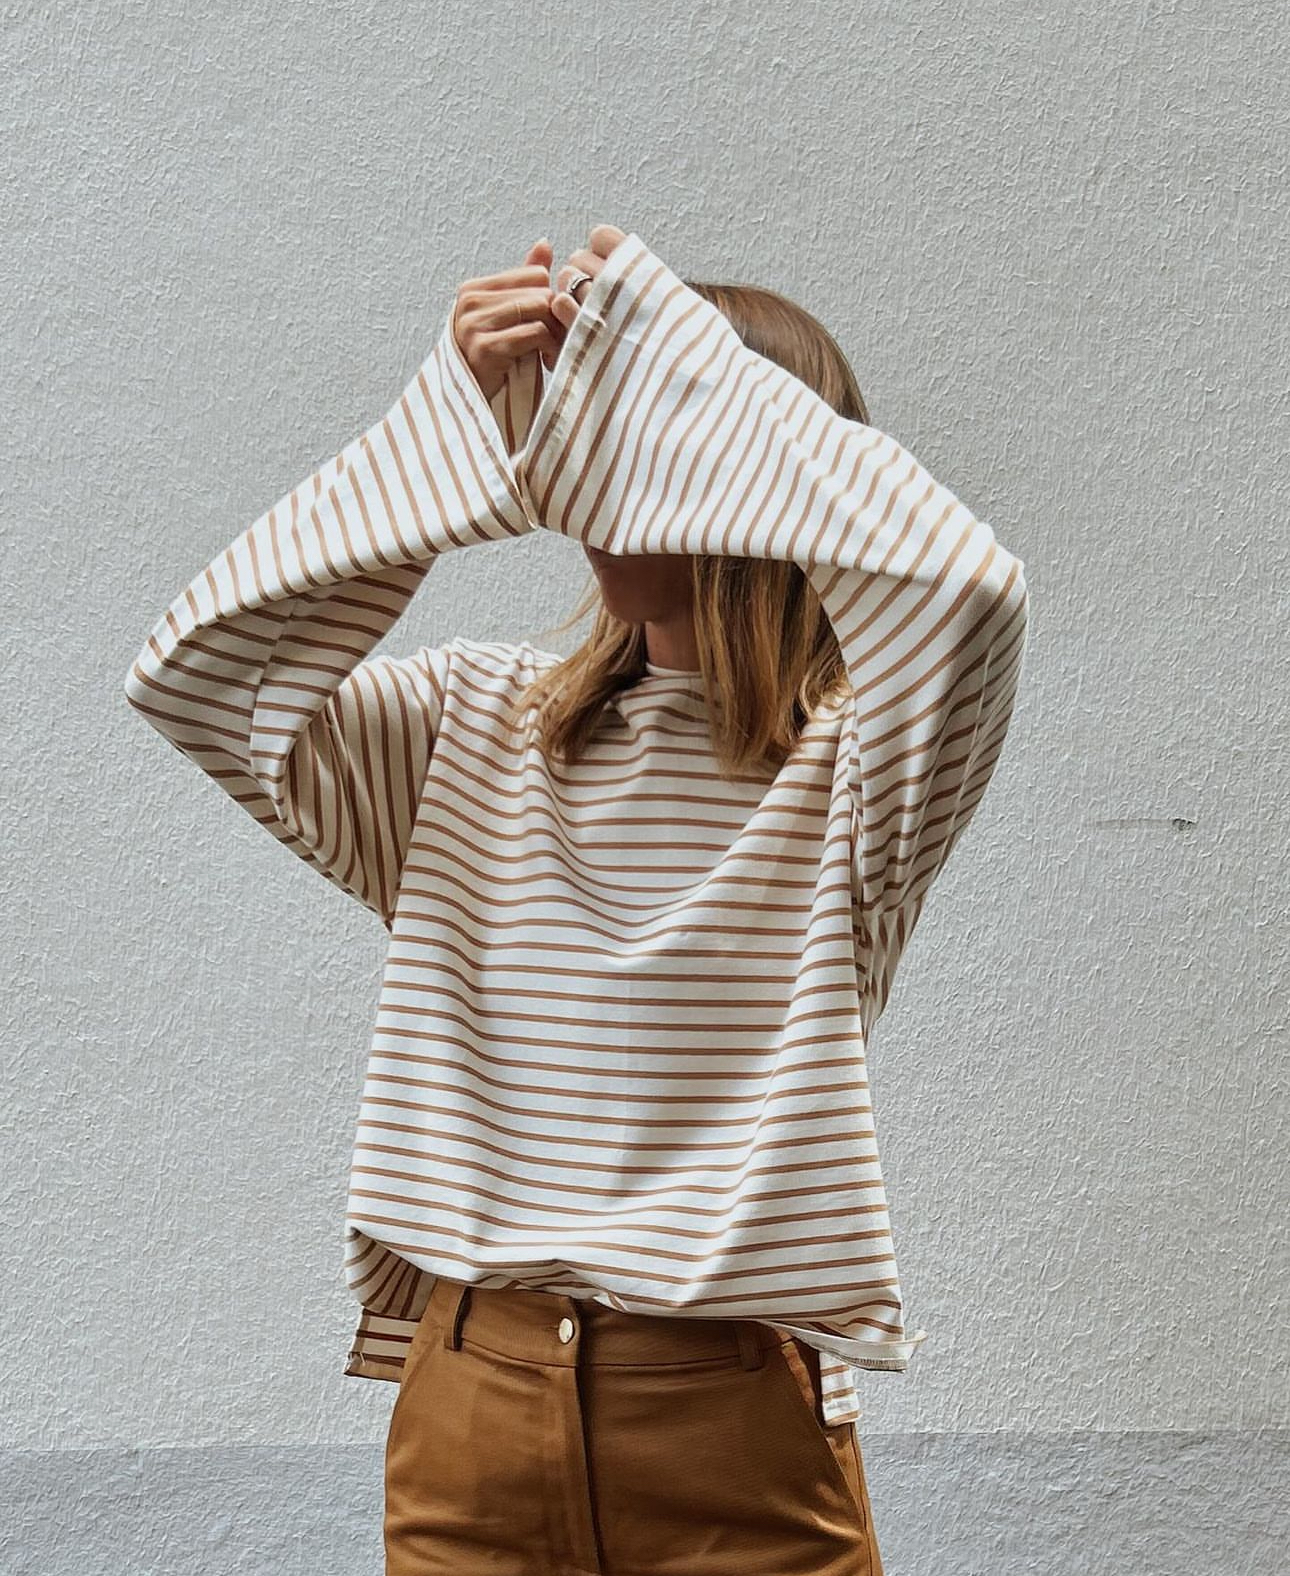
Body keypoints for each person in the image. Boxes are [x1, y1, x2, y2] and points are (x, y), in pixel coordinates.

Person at [123, 222, 1029, 1576]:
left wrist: (688, 363)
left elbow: (970, 589)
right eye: (580, 426)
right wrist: (446, 426)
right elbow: (192, 675)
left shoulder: (861, 773)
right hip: (470, 1415)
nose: (586, 474)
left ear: (740, 467)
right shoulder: (472, 729)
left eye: (631, 430)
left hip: (732, 1427)